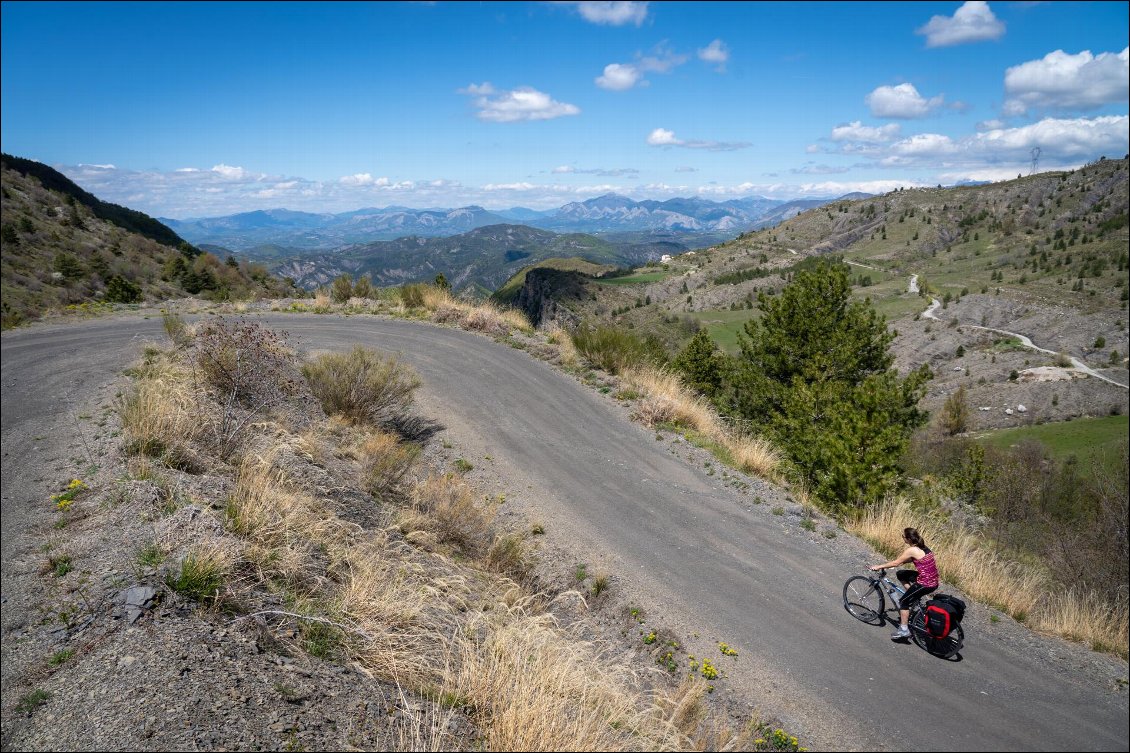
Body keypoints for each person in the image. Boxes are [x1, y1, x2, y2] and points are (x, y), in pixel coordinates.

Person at [871, 527, 939, 640]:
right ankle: (912, 597)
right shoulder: (922, 546)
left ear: (908, 538)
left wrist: (878, 566)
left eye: (903, 537)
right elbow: (914, 559)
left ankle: (904, 630)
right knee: (901, 574)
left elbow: (897, 562)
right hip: (933, 580)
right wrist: (898, 563)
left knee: (903, 601)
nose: (903, 538)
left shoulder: (911, 550)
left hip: (926, 583)